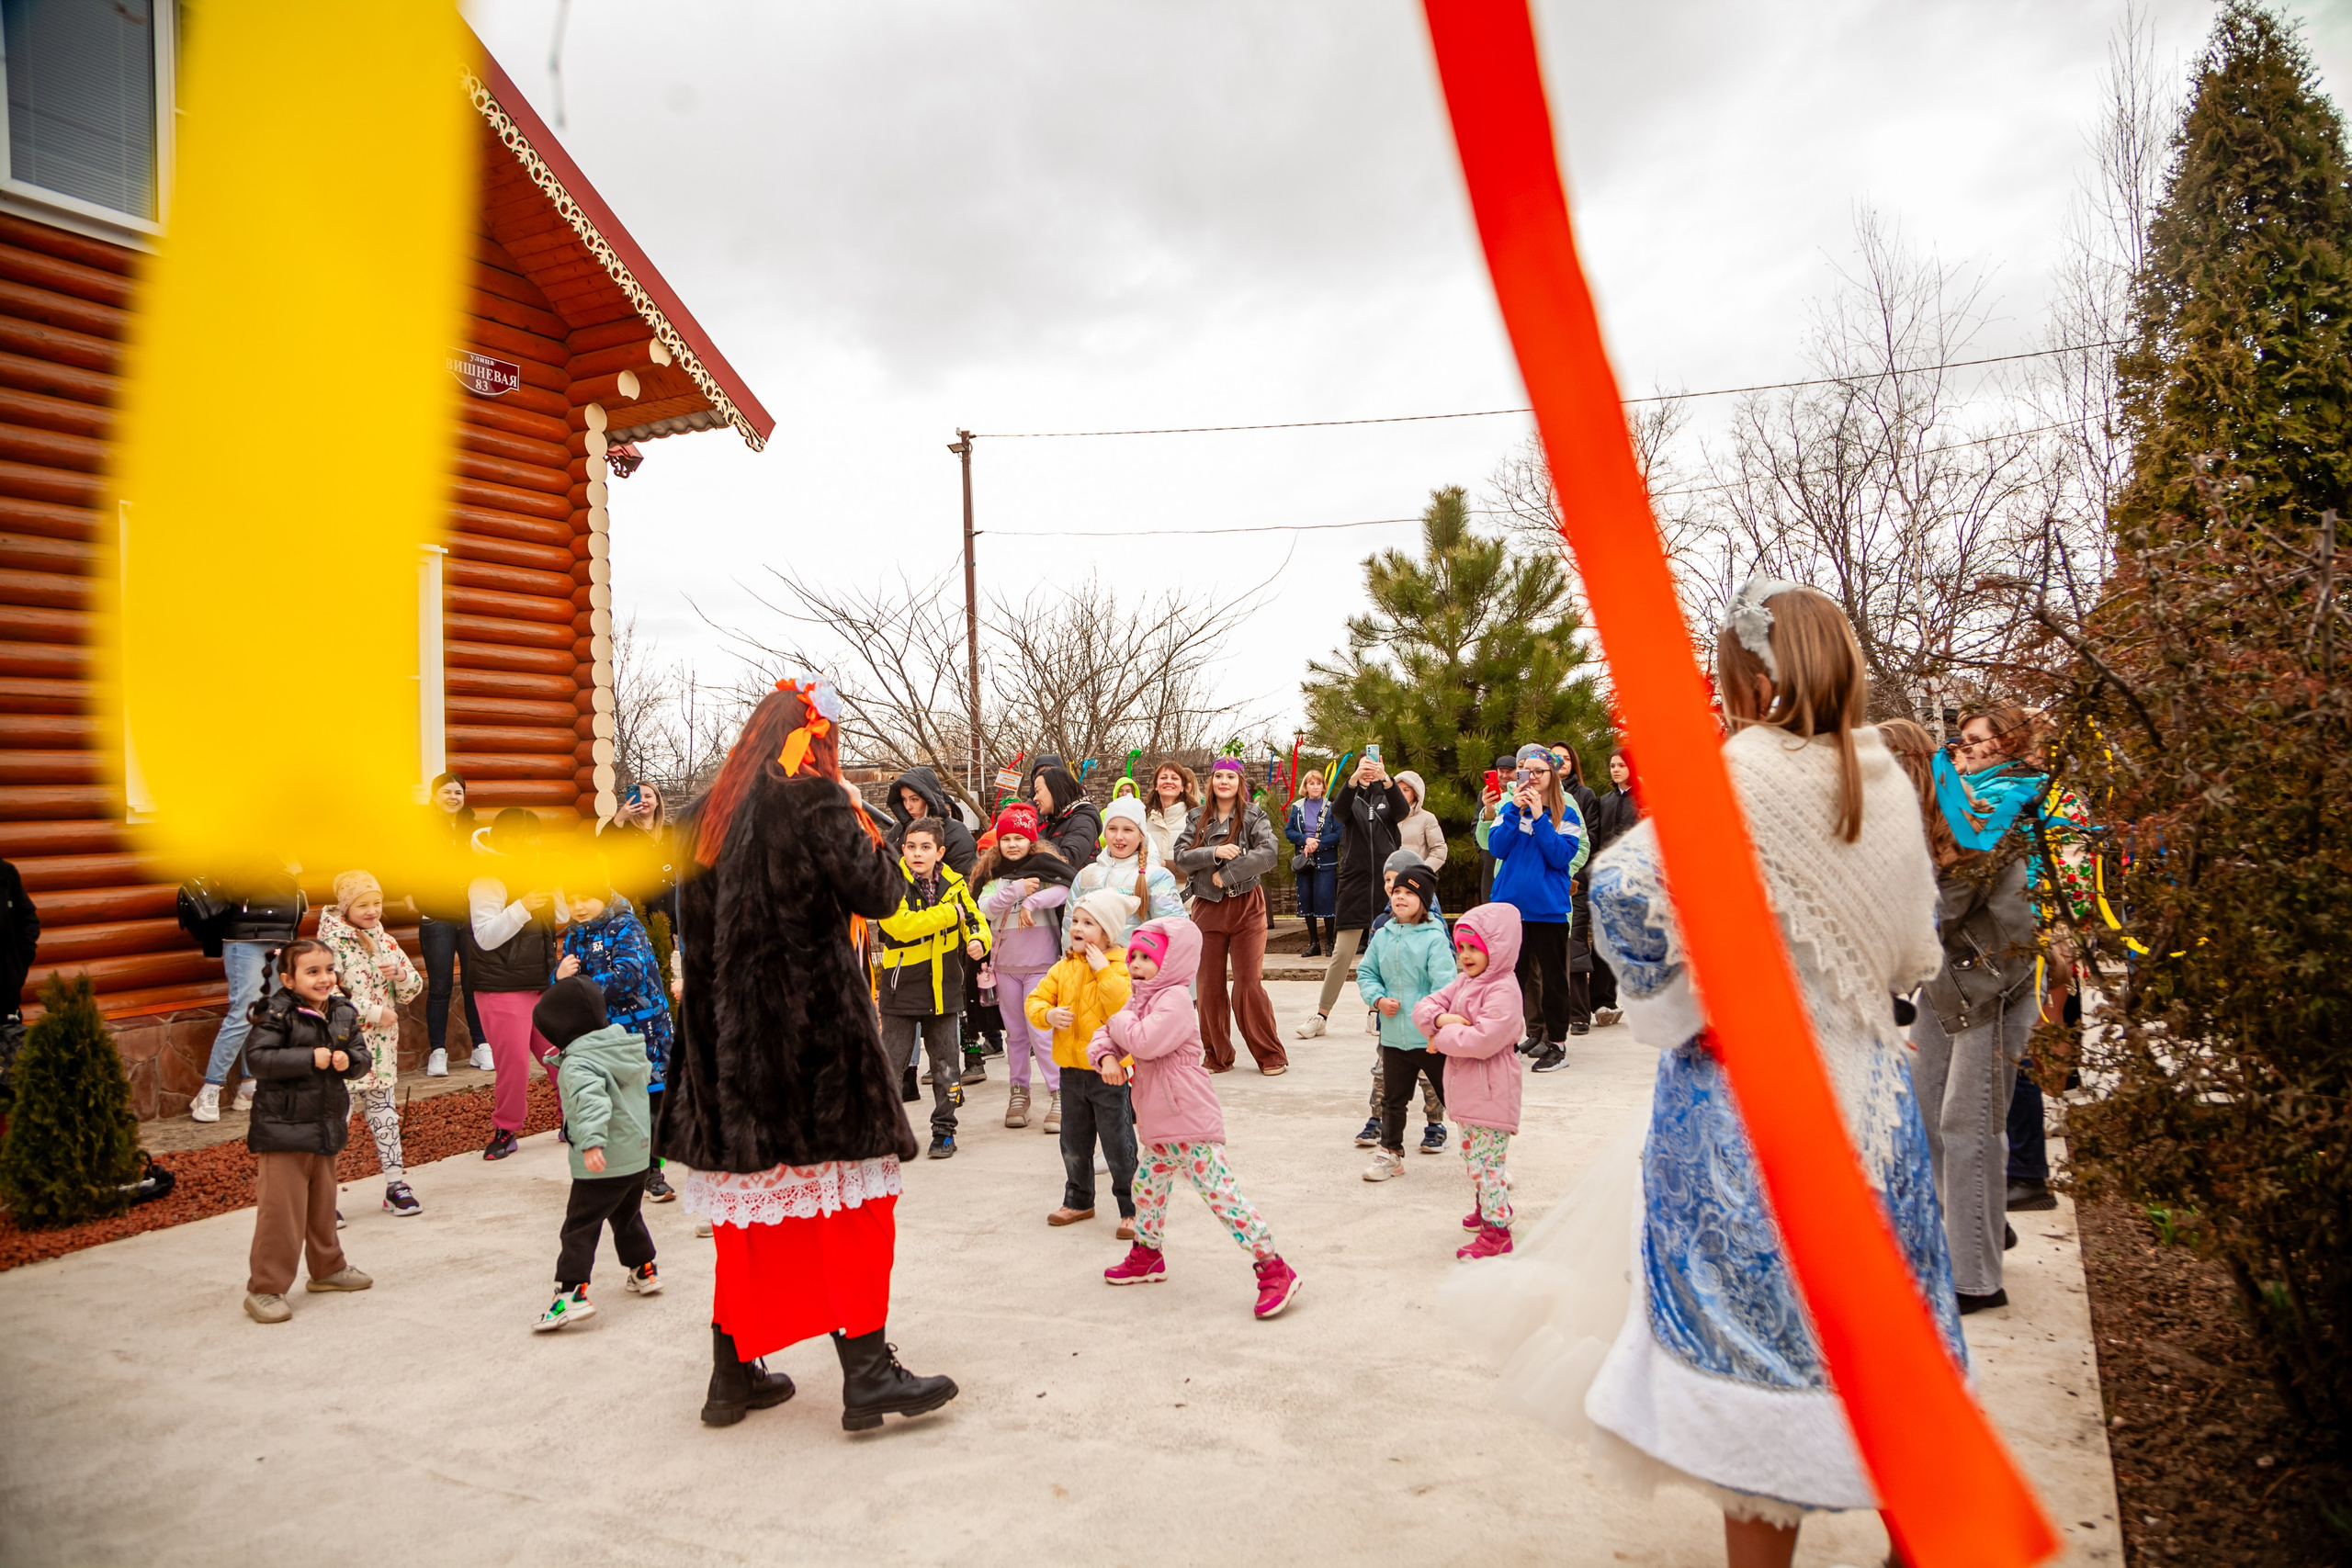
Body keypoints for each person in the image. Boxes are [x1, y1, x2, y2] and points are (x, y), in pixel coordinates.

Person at [1453, 581, 1954, 1565]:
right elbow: (1906, 952)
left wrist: (1686, 1003)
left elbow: (1623, 885)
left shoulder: (1735, 777)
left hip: (1747, 1113)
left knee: (1756, 1378)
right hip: (1869, 1103)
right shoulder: (1882, 782)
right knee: (1879, 1334)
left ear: (1747, 680)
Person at [661, 679, 957, 1435]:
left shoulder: (699, 816)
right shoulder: (817, 801)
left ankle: (731, 1376)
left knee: (749, 1226)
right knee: (855, 1212)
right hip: (812, 1047)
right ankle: (867, 1372)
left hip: (727, 1052)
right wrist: (859, 817)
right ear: (815, 740)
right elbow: (882, 894)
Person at [1898, 713, 2043, 1314]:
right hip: (1946, 987)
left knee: (1969, 1127)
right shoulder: (1935, 819)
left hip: (1991, 990)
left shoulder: (1985, 820)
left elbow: (1939, 912)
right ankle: (1964, 1235)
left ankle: (1977, 1279)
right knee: (1929, 1117)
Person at [1093, 918, 1303, 1319]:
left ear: (1169, 962)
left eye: (1146, 958)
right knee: (1146, 1190)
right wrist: (1106, 1056)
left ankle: (1274, 1267)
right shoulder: (1139, 1001)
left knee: (1222, 1195)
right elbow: (1107, 1037)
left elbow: (1142, 1041)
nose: (1135, 964)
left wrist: (1116, 1025)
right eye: (1133, 956)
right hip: (1159, 1126)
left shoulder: (1173, 1000)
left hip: (1187, 1120)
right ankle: (1148, 1255)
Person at [240, 939, 375, 1324]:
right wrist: (309, 1058)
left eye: (329, 969)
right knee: (281, 1214)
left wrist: (350, 1061)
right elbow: (257, 1059)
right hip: (283, 1129)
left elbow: (362, 1056)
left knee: (322, 1206)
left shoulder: (342, 1011)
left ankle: (328, 1269)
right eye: (312, 971)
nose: (324, 978)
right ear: (288, 979)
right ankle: (265, 1288)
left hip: (325, 1124)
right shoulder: (277, 1013)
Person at [532, 976, 662, 1333]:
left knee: (580, 1226)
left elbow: (590, 1102)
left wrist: (591, 1143)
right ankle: (644, 1269)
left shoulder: (580, 1063)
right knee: (627, 1215)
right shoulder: (621, 1047)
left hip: (604, 1160)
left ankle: (571, 1294)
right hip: (637, 1157)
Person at [1415, 902, 1526, 1261]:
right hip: (1468, 1092)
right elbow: (1426, 1005)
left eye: (1474, 948)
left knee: (1487, 1164)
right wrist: (1442, 1021)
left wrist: (1440, 1038)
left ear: (1498, 948)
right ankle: (1489, 1206)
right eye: (1461, 947)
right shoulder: (1466, 982)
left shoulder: (1503, 990)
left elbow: (1483, 1040)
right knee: (1474, 1157)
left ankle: (1497, 1231)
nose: (1465, 956)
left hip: (1490, 1092)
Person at [876, 818, 992, 1160]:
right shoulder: (891, 882)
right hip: (901, 989)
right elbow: (900, 925)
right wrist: (949, 915)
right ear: (903, 850)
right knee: (891, 1066)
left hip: (944, 990)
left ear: (939, 852)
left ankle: (944, 1131)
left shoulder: (954, 885)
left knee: (946, 1067)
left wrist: (978, 939)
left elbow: (974, 918)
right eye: (911, 847)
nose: (917, 853)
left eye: (925, 847)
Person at [555, 885, 676, 1201]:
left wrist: (576, 985)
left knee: (649, 1104)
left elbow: (628, 976)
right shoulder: (574, 936)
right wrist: (559, 977)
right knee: (615, 1105)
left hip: (643, 1034)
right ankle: (623, 1171)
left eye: (585, 897)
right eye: (571, 900)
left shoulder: (626, 926)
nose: (578, 906)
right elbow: (563, 987)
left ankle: (653, 1173)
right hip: (602, 1038)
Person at [1026, 889, 1138, 1233]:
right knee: (1073, 1142)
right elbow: (1035, 1000)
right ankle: (1078, 1200)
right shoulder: (1063, 967)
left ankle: (1134, 1208)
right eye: (1075, 920)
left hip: (1109, 1072)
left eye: (1088, 923)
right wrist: (1048, 1015)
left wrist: (1103, 972)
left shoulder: (1121, 968)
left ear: (1108, 932)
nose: (1077, 927)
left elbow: (1125, 1008)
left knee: (1118, 1144)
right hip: (1071, 1072)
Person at [314, 872, 424, 1217]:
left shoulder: (384, 939)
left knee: (385, 1116)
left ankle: (396, 1185)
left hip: (381, 1047)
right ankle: (321, 1199)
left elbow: (412, 985)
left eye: (377, 903)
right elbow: (326, 993)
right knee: (336, 1120)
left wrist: (401, 977)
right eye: (363, 904)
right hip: (343, 1046)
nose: (372, 910)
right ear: (346, 907)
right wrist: (375, 1012)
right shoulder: (329, 944)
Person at [1172, 758, 1285, 1076]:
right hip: (1207, 908)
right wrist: (1214, 852)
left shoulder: (1254, 815)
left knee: (1248, 984)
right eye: (1219, 776)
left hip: (1247, 906)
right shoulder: (1196, 817)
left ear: (1240, 783)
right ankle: (1217, 1056)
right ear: (1211, 782)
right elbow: (1181, 856)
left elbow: (1269, 853)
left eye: (1231, 777)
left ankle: (1270, 1055)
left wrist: (1229, 873)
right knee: (1208, 986)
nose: (1224, 781)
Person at [469, 808, 566, 1161]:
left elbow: (561, 917)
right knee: (515, 1066)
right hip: (502, 988)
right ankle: (506, 1129)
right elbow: (485, 937)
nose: (538, 844)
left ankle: (572, 1119)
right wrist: (522, 906)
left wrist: (556, 886)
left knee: (561, 1058)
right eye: (531, 838)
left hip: (540, 984)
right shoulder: (486, 879)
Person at [974, 803, 1077, 1133]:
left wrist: (1033, 900)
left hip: (1042, 967)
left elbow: (1065, 890)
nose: (1012, 844)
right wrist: (1017, 891)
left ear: (1031, 841)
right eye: (1006, 839)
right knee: (1016, 1035)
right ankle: (1019, 1092)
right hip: (1005, 968)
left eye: (1019, 838)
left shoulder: (1044, 870)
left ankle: (1059, 1093)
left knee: (1041, 1032)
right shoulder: (994, 876)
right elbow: (984, 907)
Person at [1485, 744, 1587, 1070]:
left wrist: (1541, 817)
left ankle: (1556, 1044)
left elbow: (1560, 856)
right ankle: (1509, 1039)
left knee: (1554, 981)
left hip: (1548, 910)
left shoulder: (1566, 814)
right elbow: (1497, 848)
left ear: (1552, 775)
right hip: (1510, 910)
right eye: (1526, 771)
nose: (1532, 777)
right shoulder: (1509, 809)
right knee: (1511, 980)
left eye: (1539, 771)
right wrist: (1514, 812)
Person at [1357, 863, 1457, 1181]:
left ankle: (1484, 1155)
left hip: (1429, 1040)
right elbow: (1366, 972)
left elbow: (1445, 987)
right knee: (1393, 1100)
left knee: (1455, 1098)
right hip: (1393, 1038)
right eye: (1396, 891)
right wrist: (1378, 1000)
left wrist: (1435, 1027)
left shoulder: (1434, 938)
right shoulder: (1383, 935)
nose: (1400, 896)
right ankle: (1390, 1153)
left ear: (1424, 901)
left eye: (1409, 893)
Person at [1297, 754, 1408, 1038]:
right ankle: (1321, 1015)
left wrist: (1386, 779)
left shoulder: (1387, 795)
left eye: (1374, 764)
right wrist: (1354, 780)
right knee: (1342, 953)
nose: (1369, 770)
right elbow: (1338, 812)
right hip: (1354, 882)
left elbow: (1402, 811)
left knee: (1385, 953)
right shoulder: (1351, 798)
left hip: (1386, 884)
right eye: (1364, 766)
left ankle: (1375, 1014)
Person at [189, 862, 306, 1122]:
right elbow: (235, 885)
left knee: (267, 1013)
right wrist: (278, 862)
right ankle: (210, 1089)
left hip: (281, 937)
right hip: (245, 940)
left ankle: (249, 1086)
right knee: (243, 1013)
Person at [410, 772, 484, 1077]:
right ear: (434, 796)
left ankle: (481, 1046)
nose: (453, 797)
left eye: (458, 792)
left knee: (473, 984)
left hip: (470, 915)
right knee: (440, 987)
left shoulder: (474, 829)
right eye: (447, 792)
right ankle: (438, 1052)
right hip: (436, 914)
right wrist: (411, 894)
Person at [1583, 749, 1644, 1028]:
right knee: (1604, 939)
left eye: (1621, 765)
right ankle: (1601, 1000)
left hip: (1635, 879)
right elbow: (1595, 839)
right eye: (1612, 765)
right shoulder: (1603, 801)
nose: (1616, 769)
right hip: (1606, 878)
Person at [883, 765, 978, 879]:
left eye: (914, 799)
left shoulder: (956, 833)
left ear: (929, 799)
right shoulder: (899, 829)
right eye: (904, 799)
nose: (908, 806)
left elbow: (965, 881)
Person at [1283, 768, 1340, 956]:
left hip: (1326, 862)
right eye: (1311, 783)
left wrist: (1318, 844)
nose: (1315, 787)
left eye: (1318, 783)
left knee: (1326, 901)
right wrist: (1305, 840)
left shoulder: (1331, 807)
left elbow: (1339, 833)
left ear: (1323, 786)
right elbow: (1289, 831)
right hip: (1304, 862)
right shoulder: (1297, 807)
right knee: (1306, 900)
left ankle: (1330, 943)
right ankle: (1313, 943)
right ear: (1305, 787)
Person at [1033, 765, 1105, 872]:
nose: (1034, 798)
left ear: (1055, 789)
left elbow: (1067, 860)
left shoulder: (1082, 820)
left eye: (1038, 791)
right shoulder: (1052, 822)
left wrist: (1031, 838)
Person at [1142, 761, 1199, 871]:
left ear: (1182, 787)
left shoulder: (1195, 819)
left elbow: (1199, 861)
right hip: (1149, 881)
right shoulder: (1144, 818)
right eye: (1163, 778)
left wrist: (1166, 865)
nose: (1168, 781)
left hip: (1184, 882)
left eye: (1174, 778)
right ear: (1156, 786)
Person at [1392, 770, 1450, 872]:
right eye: (1397, 790)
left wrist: (1421, 872)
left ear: (1415, 793)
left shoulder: (1427, 818)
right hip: (1387, 878)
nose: (1401, 794)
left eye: (1406, 790)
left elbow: (1439, 851)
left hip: (1415, 879)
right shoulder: (1384, 816)